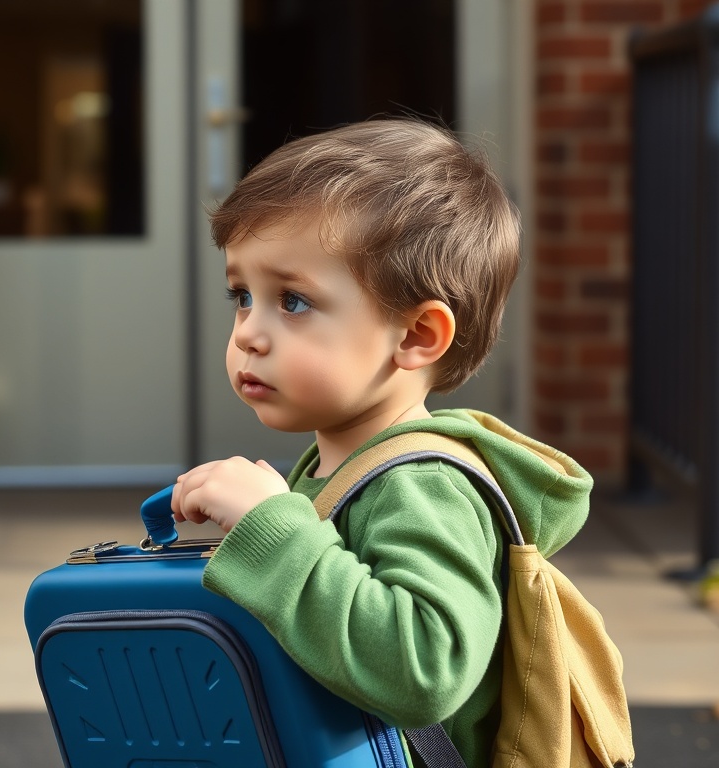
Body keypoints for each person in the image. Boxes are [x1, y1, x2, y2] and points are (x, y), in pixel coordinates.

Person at [169, 118, 592, 767]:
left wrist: (274, 532)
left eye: (294, 301)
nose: (249, 332)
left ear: (418, 335)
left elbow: (425, 670)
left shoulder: (424, 487)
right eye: (242, 295)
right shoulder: (335, 467)